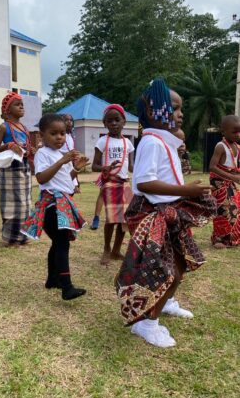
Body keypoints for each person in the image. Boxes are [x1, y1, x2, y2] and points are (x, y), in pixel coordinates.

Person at [115, 78, 216, 348]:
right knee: (167, 271)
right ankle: (146, 325)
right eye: (174, 107)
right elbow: (143, 184)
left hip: (166, 212)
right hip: (152, 215)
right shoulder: (152, 142)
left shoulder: (163, 141)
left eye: (181, 108)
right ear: (152, 111)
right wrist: (185, 191)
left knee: (178, 265)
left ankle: (167, 302)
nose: (180, 114)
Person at [22, 113, 88, 300]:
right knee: (62, 243)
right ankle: (66, 287)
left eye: (63, 133)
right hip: (52, 203)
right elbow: (41, 178)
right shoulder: (43, 153)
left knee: (58, 242)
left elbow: (66, 181)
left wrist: (76, 169)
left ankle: (52, 279)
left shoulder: (60, 155)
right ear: (42, 135)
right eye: (54, 133)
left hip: (62, 201)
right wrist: (62, 161)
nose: (60, 137)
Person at [0, 92, 35, 247]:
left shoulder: (25, 129)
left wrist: (31, 150)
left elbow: (26, 149)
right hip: (9, 171)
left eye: (22, 104)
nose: (21, 106)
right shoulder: (3, 127)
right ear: (7, 110)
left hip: (24, 169)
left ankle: (23, 236)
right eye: (17, 104)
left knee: (25, 203)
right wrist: (8, 145)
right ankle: (11, 238)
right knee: (11, 204)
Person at [92, 104, 134, 265]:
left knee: (125, 220)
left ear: (124, 121)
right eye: (110, 121)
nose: (114, 124)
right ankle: (107, 249)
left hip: (124, 184)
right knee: (111, 219)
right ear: (105, 124)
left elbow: (131, 166)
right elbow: (94, 165)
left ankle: (116, 250)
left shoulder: (128, 144)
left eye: (117, 120)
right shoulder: (103, 141)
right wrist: (105, 168)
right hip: (110, 183)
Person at [209, 115, 240, 248]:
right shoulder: (220, 146)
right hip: (220, 185)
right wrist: (233, 177)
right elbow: (212, 167)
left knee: (235, 209)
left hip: (230, 183)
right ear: (223, 132)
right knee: (222, 211)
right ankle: (219, 239)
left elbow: (233, 168)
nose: (238, 134)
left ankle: (231, 237)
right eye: (234, 131)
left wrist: (235, 175)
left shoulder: (237, 147)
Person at [60, 113, 80, 193]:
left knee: (71, 191)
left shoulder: (70, 137)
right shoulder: (60, 137)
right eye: (66, 120)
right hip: (61, 167)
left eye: (71, 120)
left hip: (70, 166)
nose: (69, 122)